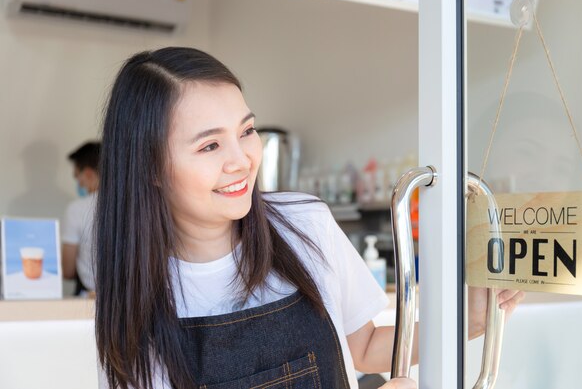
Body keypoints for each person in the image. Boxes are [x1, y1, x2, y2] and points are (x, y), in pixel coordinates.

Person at [95, 47, 523, 389]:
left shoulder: (304, 224)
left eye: (246, 131)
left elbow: (366, 346)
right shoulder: (136, 306)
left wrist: (472, 319)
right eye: (210, 146)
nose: (241, 160)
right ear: (149, 167)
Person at [61, 141, 100, 295]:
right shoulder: (134, 205)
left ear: (89, 173)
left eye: (78, 176)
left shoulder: (76, 209)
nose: (78, 183)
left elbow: (68, 270)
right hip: (134, 304)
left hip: (91, 299)